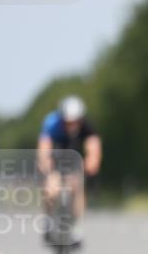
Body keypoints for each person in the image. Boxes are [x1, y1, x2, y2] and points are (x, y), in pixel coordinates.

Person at [37, 95, 102, 244]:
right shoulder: (51, 124)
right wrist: (45, 164)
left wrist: (92, 161)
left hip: (74, 161)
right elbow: (44, 147)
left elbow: (94, 147)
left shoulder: (87, 126)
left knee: (78, 187)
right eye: (67, 122)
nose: (71, 126)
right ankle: (48, 221)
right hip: (56, 158)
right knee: (51, 189)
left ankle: (77, 226)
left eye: (74, 122)